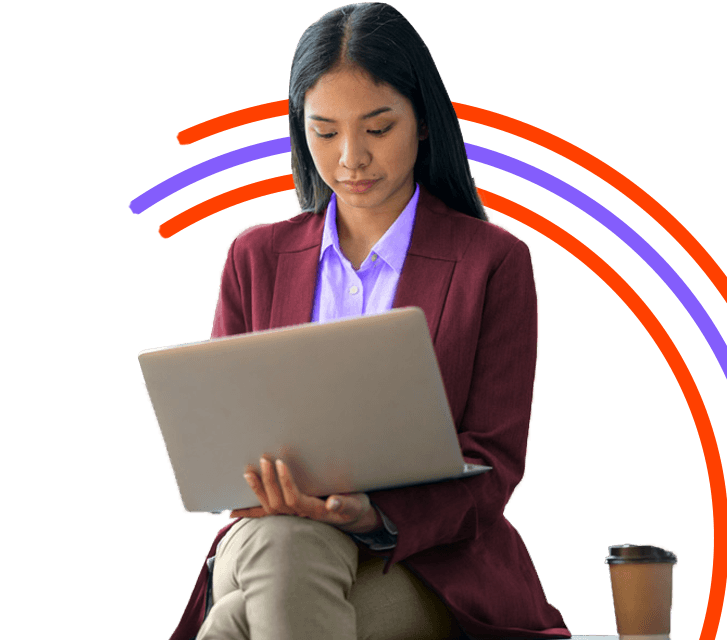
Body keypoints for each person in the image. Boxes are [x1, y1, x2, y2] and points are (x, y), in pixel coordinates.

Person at [166, 4, 571, 640]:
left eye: (377, 128)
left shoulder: (493, 262)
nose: (350, 158)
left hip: (421, 562)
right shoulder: (256, 257)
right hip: (270, 535)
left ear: (423, 123)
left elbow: (492, 464)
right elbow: (224, 446)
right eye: (324, 133)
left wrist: (371, 513)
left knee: (243, 619)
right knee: (282, 545)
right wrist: (266, 489)